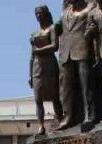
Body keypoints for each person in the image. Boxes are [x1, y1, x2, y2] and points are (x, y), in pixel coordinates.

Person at [58, 0, 99, 130]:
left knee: (86, 84)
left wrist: (88, 34)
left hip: (82, 48)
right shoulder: (65, 11)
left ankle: (89, 115)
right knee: (65, 87)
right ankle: (67, 117)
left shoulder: (90, 7)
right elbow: (58, 28)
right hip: (65, 52)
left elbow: (95, 24)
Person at [30, 5, 65, 135]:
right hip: (37, 67)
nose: (38, 16)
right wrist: (30, 75)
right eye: (36, 14)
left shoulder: (52, 28)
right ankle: (41, 126)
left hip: (50, 65)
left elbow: (55, 46)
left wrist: (39, 50)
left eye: (40, 13)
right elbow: (32, 56)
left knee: (55, 96)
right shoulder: (35, 34)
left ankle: (61, 121)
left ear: (46, 14)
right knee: (38, 99)